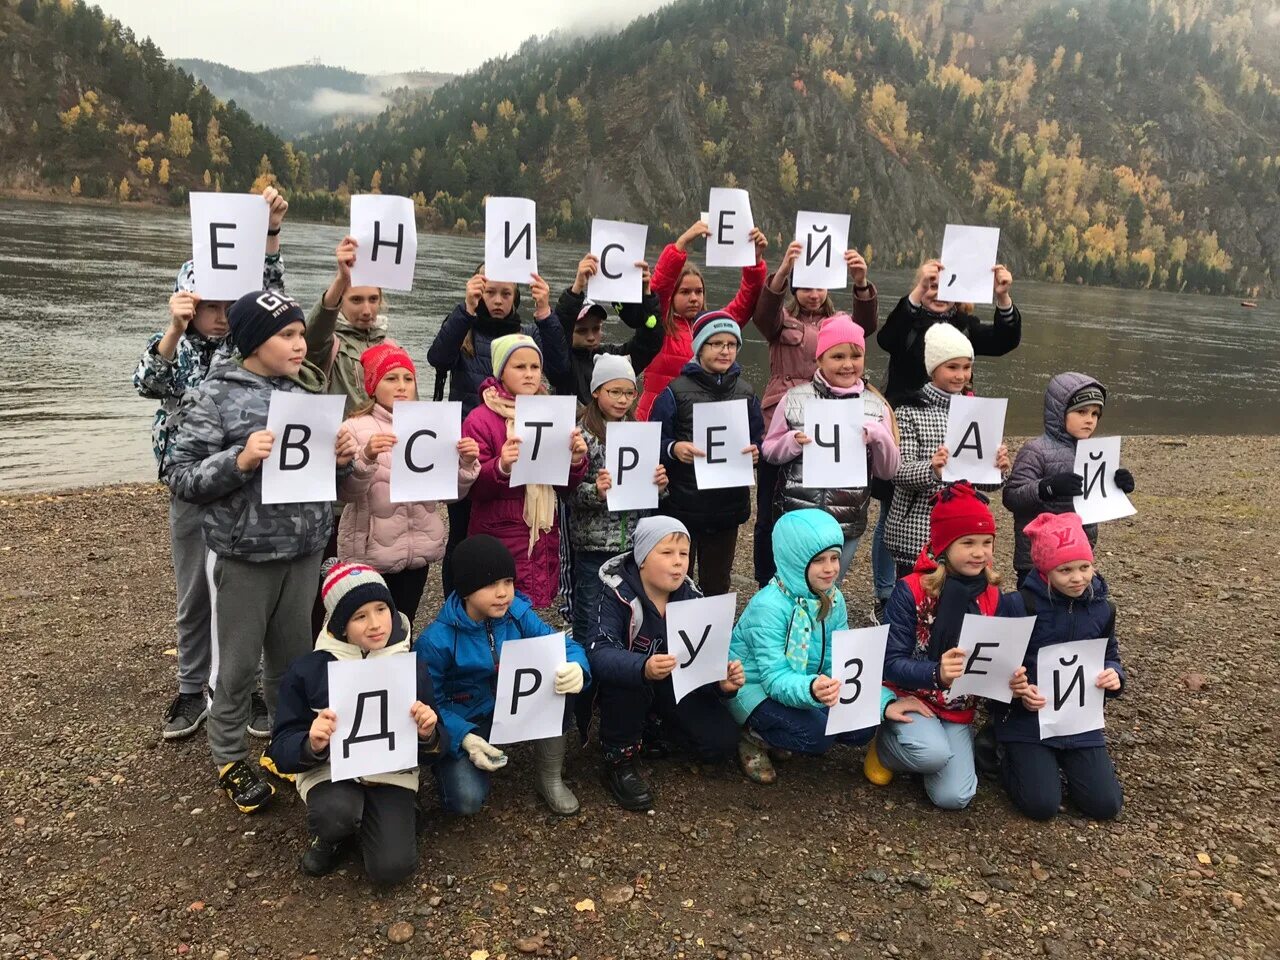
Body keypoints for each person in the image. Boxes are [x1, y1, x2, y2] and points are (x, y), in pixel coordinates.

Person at [165, 290, 358, 813]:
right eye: (288, 335)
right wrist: (240, 459)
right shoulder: (214, 397)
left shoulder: (307, 391)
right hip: (244, 556)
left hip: (303, 551)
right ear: (253, 340)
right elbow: (180, 476)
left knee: (291, 662)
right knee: (237, 667)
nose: (301, 344)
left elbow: (324, 479)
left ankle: (285, 741)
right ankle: (228, 755)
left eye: (301, 334)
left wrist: (342, 460)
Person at [132, 188, 288, 740]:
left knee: (250, 589)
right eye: (209, 308)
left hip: (246, 481)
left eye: (228, 307)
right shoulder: (176, 344)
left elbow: (275, 304)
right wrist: (173, 329)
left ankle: (251, 691)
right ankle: (191, 687)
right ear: (190, 303)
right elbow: (147, 382)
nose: (221, 318)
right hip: (193, 486)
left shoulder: (244, 344)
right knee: (194, 590)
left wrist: (268, 234)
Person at [267, 563, 446, 881]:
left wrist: (428, 734)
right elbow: (280, 748)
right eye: (359, 616)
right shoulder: (308, 671)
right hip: (330, 774)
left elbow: (437, 748)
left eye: (382, 609)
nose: (376, 624)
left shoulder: (410, 665)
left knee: (393, 869)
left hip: (392, 775)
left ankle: (393, 818)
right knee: (334, 815)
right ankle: (331, 837)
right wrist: (310, 743)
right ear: (339, 624)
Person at [727, 509, 925, 783]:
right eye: (819, 560)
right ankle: (754, 736)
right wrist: (811, 690)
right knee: (818, 736)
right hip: (756, 689)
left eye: (834, 557)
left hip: (809, 684)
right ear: (795, 562)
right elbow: (774, 679)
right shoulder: (768, 607)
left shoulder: (834, 598)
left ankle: (786, 729)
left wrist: (880, 702)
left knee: (862, 729)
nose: (831, 568)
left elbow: (840, 661)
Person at [868, 483, 1023, 810]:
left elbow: (994, 659)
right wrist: (936, 673)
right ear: (943, 546)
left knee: (956, 797)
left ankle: (924, 750)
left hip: (958, 707)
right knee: (932, 754)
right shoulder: (911, 590)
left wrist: (1011, 676)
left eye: (987, 543)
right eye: (967, 543)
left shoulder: (993, 594)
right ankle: (885, 748)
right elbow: (889, 662)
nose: (979, 553)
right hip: (911, 696)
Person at [417, 535, 590, 815]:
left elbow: (563, 644)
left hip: (512, 707)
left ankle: (549, 776)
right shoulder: (435, 641)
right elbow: (427, 702)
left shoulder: (517, 614)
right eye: (490, 584)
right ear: (465, 589)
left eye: (508, 582)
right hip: (468, 721)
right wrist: (462, 736)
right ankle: (445, 763)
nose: (503, 593)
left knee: (562, 682)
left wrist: (578, 667)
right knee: (466, 800)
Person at [428, 267, 572, 596]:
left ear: (515, 297)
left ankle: (514, 595)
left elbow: (560, 367)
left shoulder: (528, 335)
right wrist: (465, 308)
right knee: (463, 533)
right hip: (468, 444)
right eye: (490, 292)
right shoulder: (465, 329)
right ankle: (457, 602)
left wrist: (545, 313)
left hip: (517, 442)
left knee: (513, 526)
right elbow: (437, 357)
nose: (497, 300)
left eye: (505, 294)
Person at [587, 517, 742, 810]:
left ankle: (656, 727)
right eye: (667, 553)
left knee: (721, 742)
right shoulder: (615, 592)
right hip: (628, 686)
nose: (678, 563)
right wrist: (642, 668)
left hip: (673, 683)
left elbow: (702, 658)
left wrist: (723, 685)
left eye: (683, 554)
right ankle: (618, 759)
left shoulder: (692, 596)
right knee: (627, 680)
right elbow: (598, 650)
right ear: (642, 558)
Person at [750, 240, 879, 586]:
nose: (813, 293)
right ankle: (768, 579)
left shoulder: (840, 321)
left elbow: (865, 328)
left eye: (820, 286)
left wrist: (861, 282)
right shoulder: (781, 321)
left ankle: (820, 575)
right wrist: (781, 272)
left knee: (823, 501)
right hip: (784, 419)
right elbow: (761, 315)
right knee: (769, 509)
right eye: (805, 286)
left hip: (834, 423)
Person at [995, 512, 1125, 821]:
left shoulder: (1103, 609)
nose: (1078, 578)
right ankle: (1003, 756)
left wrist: (1114, 676)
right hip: (1027, 720)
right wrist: (1017, 689)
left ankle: (1064, 764)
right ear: (1044, 570)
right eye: (1065, 570)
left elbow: (1112, 655)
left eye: (1085, 567)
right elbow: (994, 667)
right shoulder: (1018, 605)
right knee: (1041, 805)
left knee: (1106, 805)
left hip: (1079, 722)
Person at [337, 344, 481, 623]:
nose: (401, 386)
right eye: (391, 378)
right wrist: (366, 457)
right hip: (370, 553)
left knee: (405, 624)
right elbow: (348, 492)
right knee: (370, 631)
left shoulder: (431, 424)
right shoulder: (353, 427)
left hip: (417, 551)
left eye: (408, 378)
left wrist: (465, 464)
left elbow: (450, 497)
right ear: (372, 385)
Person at [761, 315, 899, 591]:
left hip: (847, 519)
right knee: (792, 587)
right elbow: (769, 451)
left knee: (827, 588)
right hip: (798, 514)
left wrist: (882, 439)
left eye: (855, 356)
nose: (848, 364)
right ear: (820, 359)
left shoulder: (876, 406)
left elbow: (889, 470)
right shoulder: (795, 398)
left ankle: (822, 633)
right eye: (837, 356)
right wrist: (791, 442)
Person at [462, 334, 588, 609]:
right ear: (500, 371)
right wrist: (500, 467)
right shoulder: (480, 419)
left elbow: (564, 487)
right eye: (520, 367)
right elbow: (472, 488)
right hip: (499, 531)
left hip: (541, 531)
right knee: (498, 604)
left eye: (535, 367)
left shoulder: (551, 412)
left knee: (529, 609)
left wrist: (575, 461)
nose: (530, 374)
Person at [649, 312, 764, 597]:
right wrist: (673, 449)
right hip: (682, 505)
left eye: (731, 344)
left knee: (717, 583)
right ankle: (670, 635)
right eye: (716, 343)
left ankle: (712, 636)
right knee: (676, 580)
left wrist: (756, 452)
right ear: (700, 347)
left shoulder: (746, 393)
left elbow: (758, 437)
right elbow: (653, 440)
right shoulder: (674, 393)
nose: (725, 350)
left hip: (726, 507)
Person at [885, 323, 1010, 579]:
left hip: (962, 529)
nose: (960, 375)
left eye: (966, 367)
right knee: (915, 601)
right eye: (952, 367)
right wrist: (932, 469)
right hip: (917, 528)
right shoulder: (908, 410)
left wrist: (998, 469)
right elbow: (898, 472)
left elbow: (983, 485)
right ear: (933, 369)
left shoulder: (978, 411)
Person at [568, 354, 669, 646]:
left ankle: (617, 660)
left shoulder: (638, 431)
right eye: (614, 391)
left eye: (629, 392)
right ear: (596, 391)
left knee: (624, 608)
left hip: (631, 543)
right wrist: (596, 492)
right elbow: (568, 492)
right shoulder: (582, 435)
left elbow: (648, 491)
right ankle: (586, 671)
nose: (623, 399)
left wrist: (660, 485)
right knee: (588, 609)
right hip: (593, 544)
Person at [1003, 374, 1136, 587]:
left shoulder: (1096, 453)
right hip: (1038, 559)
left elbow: (1100, 497)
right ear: (1059, 412)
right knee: (1038, 615)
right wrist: (1047, 487)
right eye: (1081, 412)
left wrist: (1119, 485)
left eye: (1095, 414)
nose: (1089, 419)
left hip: (1078, 554)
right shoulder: (1035, 450)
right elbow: (1011, 497)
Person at [636, 220, 768, 421]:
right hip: (655, 420)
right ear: (672, 295)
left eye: (699, 292)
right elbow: (659, 288)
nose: (694, 298)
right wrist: (681, 244)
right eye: (685, 292)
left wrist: (754, 259)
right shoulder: (657, 325)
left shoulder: (711, 327)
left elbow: (746, 302)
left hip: (697, 421)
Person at [877, 260, 1021, 408]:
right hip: (904, 415)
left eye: (947, 289)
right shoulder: (907, 322)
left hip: (952, 416)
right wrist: (919, 290)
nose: (940, 295)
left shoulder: (966, 327)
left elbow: (1005, 341)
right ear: (920, 287)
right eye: (933, 286)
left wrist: (1003, 297)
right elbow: (886, 339)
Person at [550, 252, 663, 404]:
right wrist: (577, 287)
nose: (591, 336)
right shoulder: (560, 362)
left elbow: (649, 343)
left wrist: (647, 295)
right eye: (582, 330)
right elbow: (557, 332)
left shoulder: (612, 357)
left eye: (596, 329)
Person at [305, 235, 392, 416]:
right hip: (342, 440)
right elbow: (311, 338)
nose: (367, 310)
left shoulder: (390, 347)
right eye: (356, 300)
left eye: (373, 299)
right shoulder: (330, 345)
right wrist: (341, 279)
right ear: (341, 301)